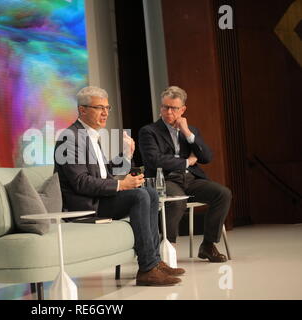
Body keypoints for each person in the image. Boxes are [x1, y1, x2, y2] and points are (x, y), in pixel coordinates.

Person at [54, 86, 185, 286]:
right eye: (99, 108)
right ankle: (147, 268)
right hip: (84, 206)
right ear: (82, 110)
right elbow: (81, 182)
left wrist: (124, 156)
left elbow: (103, 172)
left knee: (149, 192)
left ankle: (155, 262)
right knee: (139, 196)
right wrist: (121, 185)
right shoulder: (69, 138)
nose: (105, 113)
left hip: (99, 199)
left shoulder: (90, 135)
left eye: (107, 108)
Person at [138, 86, 232, 263]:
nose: (168, 112)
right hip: (165, 179)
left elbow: (206, 157)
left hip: (191, 179)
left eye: (173, 108)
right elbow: (154, 160)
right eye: (165, 107)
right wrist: (187, 162)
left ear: (182, 110)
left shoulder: (191, 130)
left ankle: (208, 245)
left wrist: (188, 134)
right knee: (177, 199)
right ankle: (168, 248)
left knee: (223, 193)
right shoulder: (149, 131)